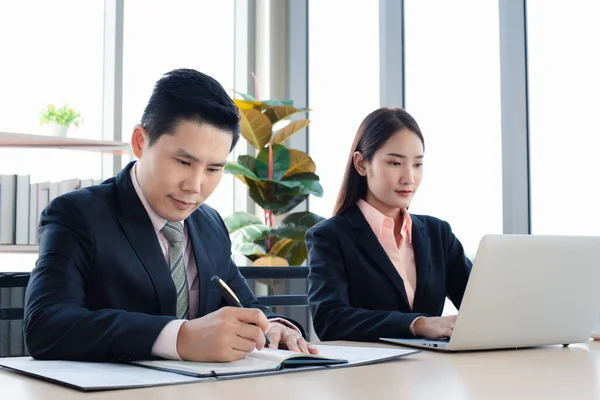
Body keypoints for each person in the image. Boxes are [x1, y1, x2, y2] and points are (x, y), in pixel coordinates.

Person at [24, 68, 317, 362]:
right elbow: (46, 325)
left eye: (214, 169)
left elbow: (245, 304)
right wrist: (179, 338)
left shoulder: (210, 224)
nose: (195, 186)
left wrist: (275, 326)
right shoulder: (77, 215)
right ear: (140, 142)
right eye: (183, 162)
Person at [305, 107, 472, 342]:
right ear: (361, 164)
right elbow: (330, 319)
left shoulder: (438, 234)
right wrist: (417, 324)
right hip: (366, 374)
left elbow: (480, 305)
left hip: (432, 371)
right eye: (395, 163)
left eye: (417, 164)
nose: (409, 178)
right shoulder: (330, 237)